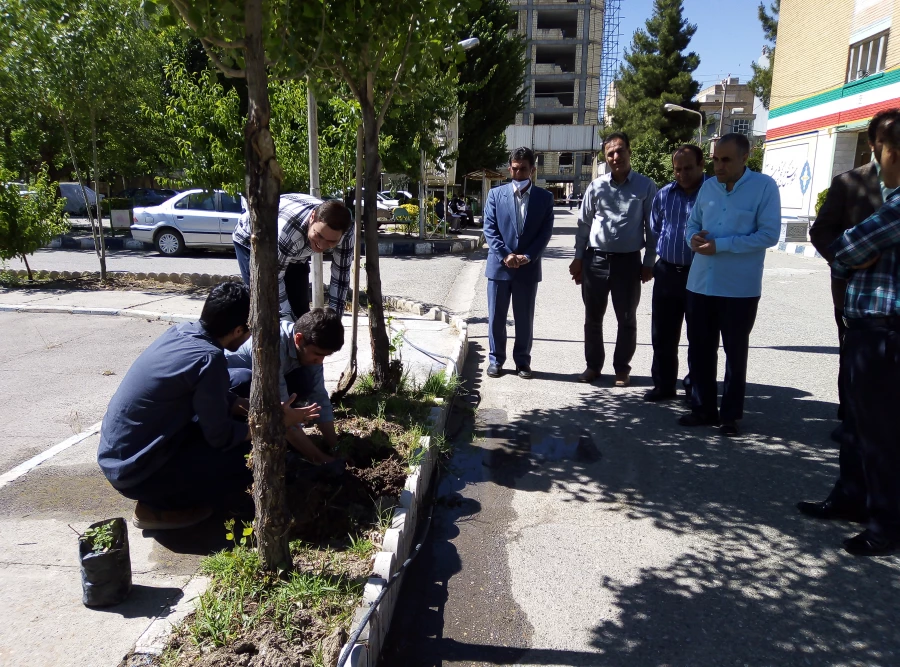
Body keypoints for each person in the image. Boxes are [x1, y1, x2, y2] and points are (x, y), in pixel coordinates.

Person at [97, 283, 318, 530]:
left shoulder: (183, 332)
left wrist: (256, 409)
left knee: (243, 379)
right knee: (246, 454)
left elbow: (213, 395)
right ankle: (161, 507)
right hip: (137, 472)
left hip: (120, 453)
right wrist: (276, 423)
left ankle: (171, 494)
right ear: (237, 330)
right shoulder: (209, 359)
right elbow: (221, 437)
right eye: (249, 331)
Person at [798, 115, 900, 556]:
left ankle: (885, 524)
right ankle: (851, 497)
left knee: (882, 430)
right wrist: (843, 260)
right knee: (856, 419)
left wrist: (845, 257)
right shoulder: (849, 183)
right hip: (860, 320)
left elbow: (848, 248)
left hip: (886, 328)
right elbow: (828, 240)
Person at [678, 133, 780, 437]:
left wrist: (721, 245)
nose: (718, 166)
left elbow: (768, 235)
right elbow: (692, 225)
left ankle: (730, 416)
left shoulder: (764, 187)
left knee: (735, 353)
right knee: (700, 350)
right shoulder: (708, 187)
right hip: (700, 284)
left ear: (745, 158)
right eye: (715, 159)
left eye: (726, 160)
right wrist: (692, 239)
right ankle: (703, 408)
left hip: (739, 288)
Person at [809, 109, 900, 447]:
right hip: (853, 293)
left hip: (891, 301)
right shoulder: (850, 182)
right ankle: (849, 418)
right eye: (884, 141)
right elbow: (821, 232)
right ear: (874, 143)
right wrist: (844, 261)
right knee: (852, 356)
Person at [570, 131, 657, 387]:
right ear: (605, 157)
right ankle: (593, 366)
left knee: (626, 318)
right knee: (592, 318)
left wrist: (649, 261)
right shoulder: (596, 187)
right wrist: (578, 258)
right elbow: (584, 225)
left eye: (620, 151)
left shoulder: (645, 186)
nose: (615, 157)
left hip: (629, 263)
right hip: (595, 261)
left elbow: (652, 227)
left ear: (629, 151)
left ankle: (622, 369)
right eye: (610, 153)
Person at [227, 308, 344, 465]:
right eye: (317, 354)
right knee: (249, 381)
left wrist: (335, 448)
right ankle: (248, 436)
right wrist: (321, 459)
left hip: (261, 387)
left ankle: (288, 438)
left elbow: (319, 397)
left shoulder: (308, 350)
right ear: (299, 339)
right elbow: (280, 412)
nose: (320, 361)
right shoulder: (272, 347)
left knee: (305, 379)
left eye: (324, 356)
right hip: (230, 389)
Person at [483, 146, 555, 379]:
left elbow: (545, 233)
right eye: (515, 168)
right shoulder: (495, 195)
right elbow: (490, 229)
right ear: (509, 168)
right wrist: (505, 254)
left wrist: (528, 256)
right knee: (496, 317)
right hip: (499, 267)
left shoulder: (545, 198)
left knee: (524, 319)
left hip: (527, 268)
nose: (519, 173)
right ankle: (496, 360)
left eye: (524, 169)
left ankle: (522, 361)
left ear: (532, 170)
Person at [645, 144, 707, 402]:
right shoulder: (664, 194)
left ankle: (695, 387)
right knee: (663, 334)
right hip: (667, 272)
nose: (682, 174)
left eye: (688, 168)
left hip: (701, 274)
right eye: (677, 169)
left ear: (702, 166)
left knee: (699, 335)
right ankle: (663, 385)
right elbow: (655, 227)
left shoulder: (713, 193)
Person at [232, 194, 353, 321]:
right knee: (265, 307)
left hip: (295, 252)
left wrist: (334, 322)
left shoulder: (347, 233)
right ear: (312, 218)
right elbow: (273, 279)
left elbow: (340, 278)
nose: (322, 245)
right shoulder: (289, 231)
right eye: (319, 235)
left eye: (331, 241)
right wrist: (287, 320)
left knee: (301, 314)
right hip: (252, 241)